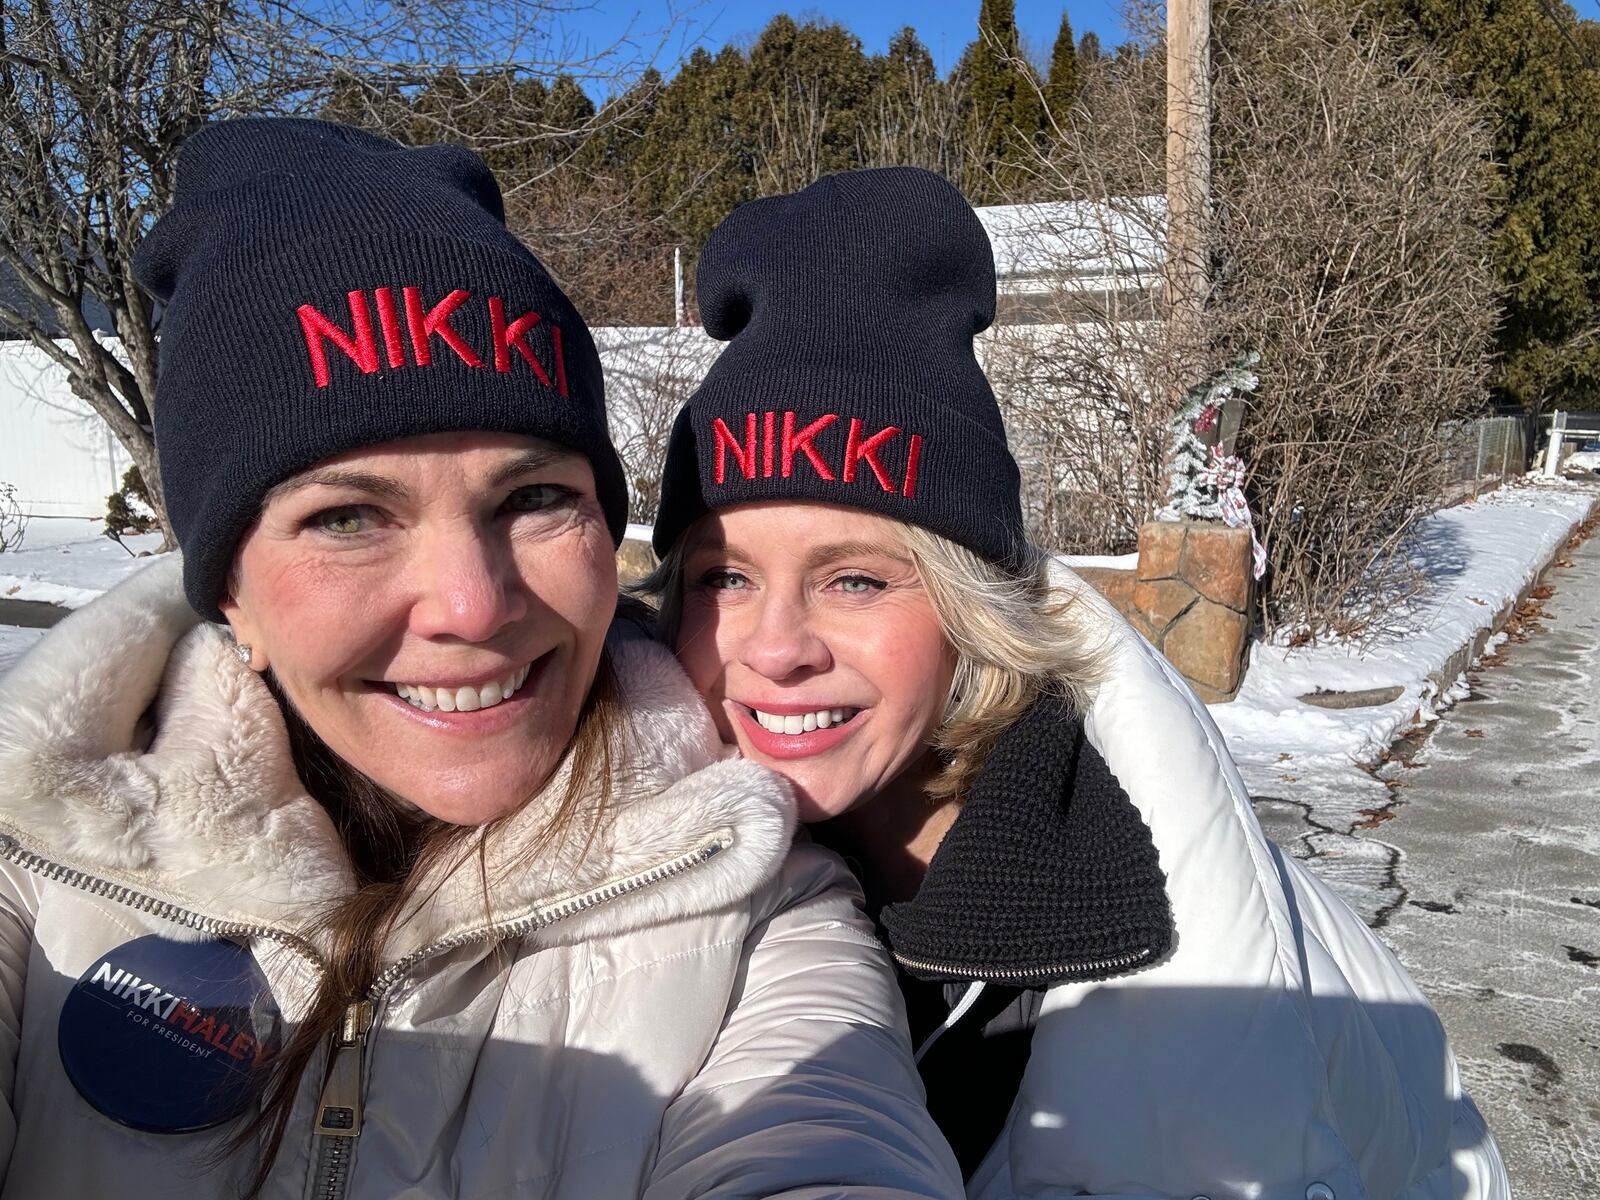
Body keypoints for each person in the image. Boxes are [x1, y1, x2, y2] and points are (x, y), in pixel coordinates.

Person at [0, 121, 965, 1200]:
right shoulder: (35, 861)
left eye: (536, 499)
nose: (473, 605)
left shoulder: (752, 898)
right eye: (350, 517)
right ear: (229, 590)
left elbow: (824, 1139)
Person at [645, 166, 1510, 1200]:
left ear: (975, 610)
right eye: (724, 576)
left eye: (858, 578)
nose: (774, 646)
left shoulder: (1231, 952)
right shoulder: (667, 867)